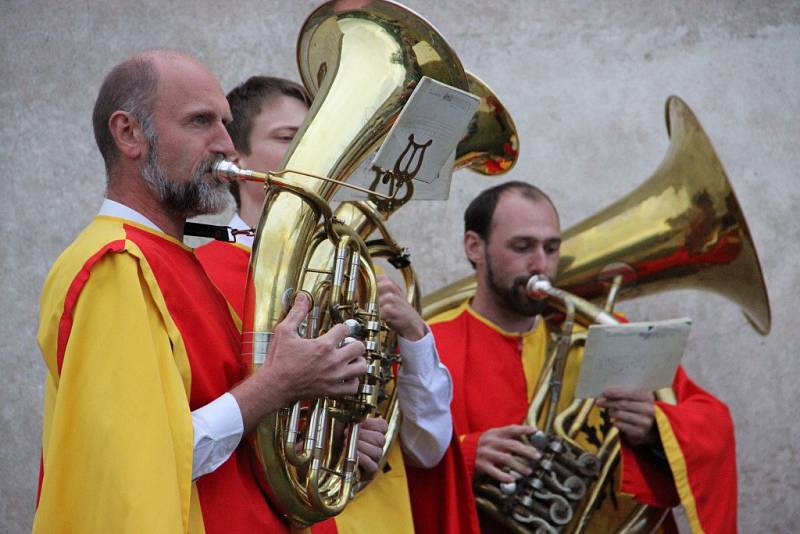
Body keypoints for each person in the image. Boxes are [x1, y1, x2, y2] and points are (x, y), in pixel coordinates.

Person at [33, 50, 375, 533]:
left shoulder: (174, 260)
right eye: (200, 122)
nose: (226, 145)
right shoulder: (114, 263)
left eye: (226, 123)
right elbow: (145, 461)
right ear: (128, 133)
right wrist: (278, 383)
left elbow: (223, 438)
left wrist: (329, 435)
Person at [194, 76, 456, 533]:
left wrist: (413, 338)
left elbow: (429, 445)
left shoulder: (355, 276)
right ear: (235, 156)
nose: (315, 155)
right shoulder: (200, 273)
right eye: (289, 139)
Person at [410, 181, 737, 533]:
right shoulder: (427, 343)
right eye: (522, 247)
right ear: (475, 247)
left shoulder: (601, 335)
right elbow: (385, 462)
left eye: (552, 248)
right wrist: (465, 457)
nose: (541, 264)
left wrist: (654, 429)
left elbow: (711, 424)